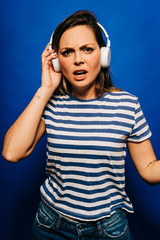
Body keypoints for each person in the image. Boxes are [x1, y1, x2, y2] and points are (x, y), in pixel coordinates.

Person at [2, 10, 160, 240]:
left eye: (87, 49)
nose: (78, 59)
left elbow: (149, 169)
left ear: (104, 55)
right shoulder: (51, 104)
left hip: (109, 230)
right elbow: (11, 152)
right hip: (51, 226)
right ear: (56, 61)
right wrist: (45, 89)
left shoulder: (127, 104)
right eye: (67, 52)